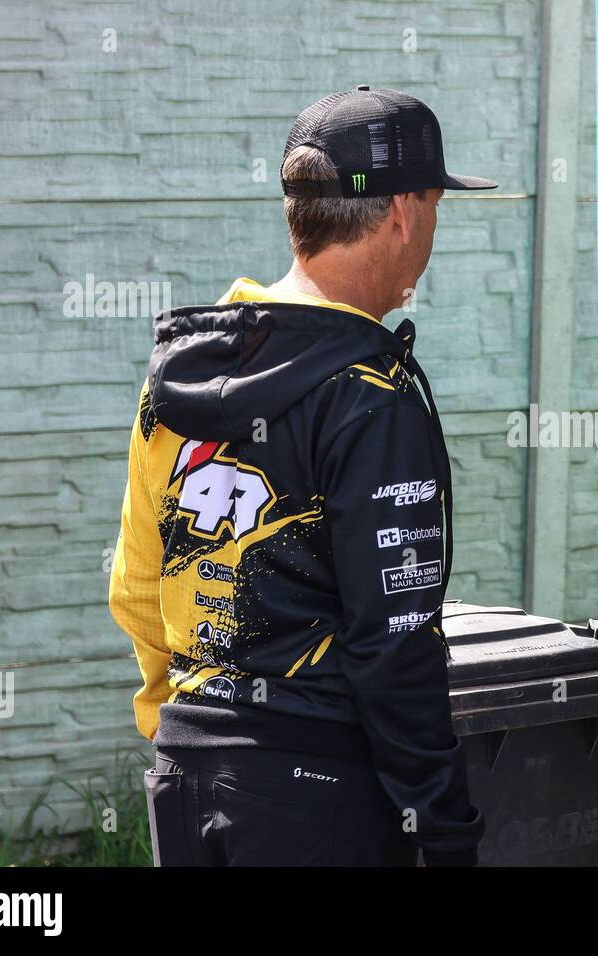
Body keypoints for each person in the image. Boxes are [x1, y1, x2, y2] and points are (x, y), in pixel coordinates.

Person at [108, 86, 496, 866]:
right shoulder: (371, 396)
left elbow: (136, 582)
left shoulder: (182, 375)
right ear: (402, 214)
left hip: (184, 768)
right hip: (314, 786)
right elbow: (392, 644)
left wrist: (174, 720)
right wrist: (445, 826)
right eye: (434, 207)